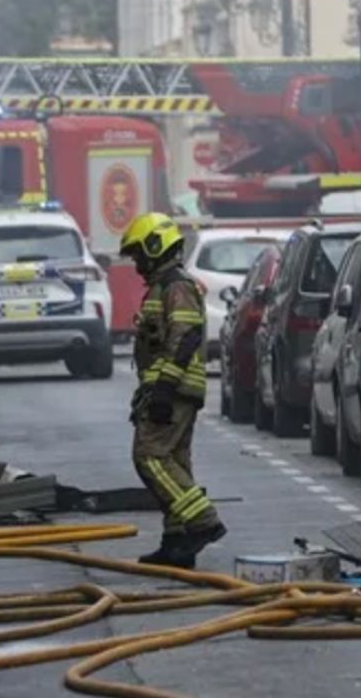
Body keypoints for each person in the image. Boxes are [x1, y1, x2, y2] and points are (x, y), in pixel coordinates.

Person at [120, 212, 225, 568]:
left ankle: (203, 522)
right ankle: (177, 541)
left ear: (155, 245)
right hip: (174, 389)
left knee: (149, 457)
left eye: (138, 255)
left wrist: (163, 388)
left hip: (174, 389)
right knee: (176, 462)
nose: (136, 265)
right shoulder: (167, 285)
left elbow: (185, 337)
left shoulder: (176, 286)